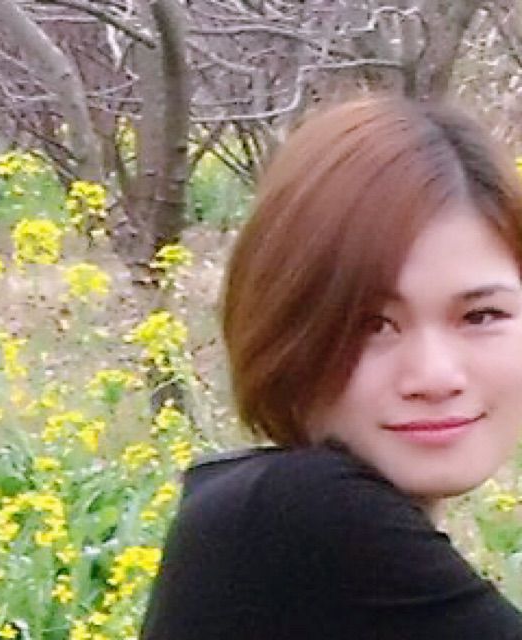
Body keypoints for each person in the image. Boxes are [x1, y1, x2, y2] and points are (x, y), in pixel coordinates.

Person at [139, 95, 522, 639]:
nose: (435, 377)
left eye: (481, 316)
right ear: (283, 327)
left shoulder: (253, 505)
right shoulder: (302, 515)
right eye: (372, 324)